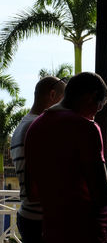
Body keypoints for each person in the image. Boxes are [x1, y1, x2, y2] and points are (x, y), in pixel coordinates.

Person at [24, 72, 107, 243]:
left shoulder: (35, 127)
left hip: (51, 233)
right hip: (86, 233)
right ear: (92, 97)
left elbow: (32, 193)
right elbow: (103, 195)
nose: (96, 114)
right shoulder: (86, 127)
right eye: (100, 106)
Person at [10, 76, 66, 243]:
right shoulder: (38, 126)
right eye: (64, 99)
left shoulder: (23, 125)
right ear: (53, 94)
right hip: (41, 219)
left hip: (29, 215)